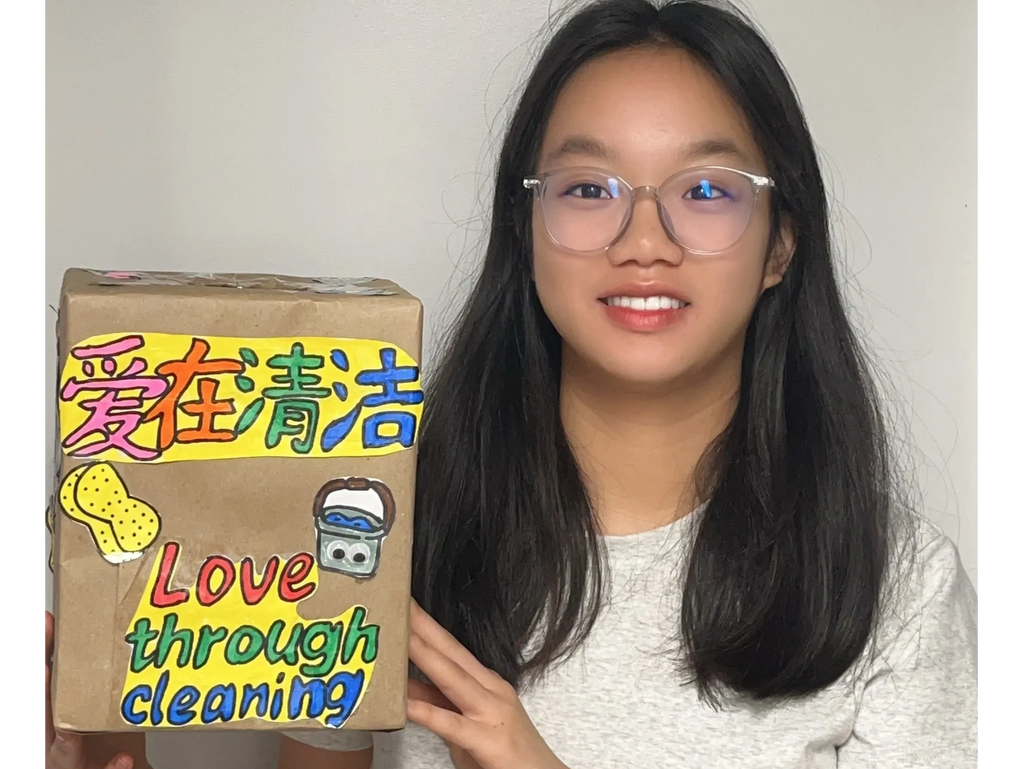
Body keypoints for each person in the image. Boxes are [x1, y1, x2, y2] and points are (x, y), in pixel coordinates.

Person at [41, 1, 981, 767]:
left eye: (704, 190)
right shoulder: (373, 529)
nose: (642, 240)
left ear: (780, 243)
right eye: (587, 188)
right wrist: (109, 753)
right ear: (524, 229)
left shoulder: (897, 589)